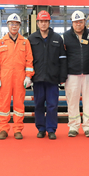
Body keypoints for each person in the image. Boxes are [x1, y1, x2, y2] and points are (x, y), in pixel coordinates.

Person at [0, 13, 34, 140]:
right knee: (3, 104)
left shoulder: (25, 42)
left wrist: (28, 76)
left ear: (20, 26)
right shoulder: (0, 42)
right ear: (7, 25)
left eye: (16, 24)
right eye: (11, 24)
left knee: (19, 104)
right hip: (4, 78)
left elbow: (29, 61)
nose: (14, 26)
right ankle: (3, 129)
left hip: (20, 78)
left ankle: (18, 129)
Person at [28, 10, 67, 140]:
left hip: (52, 78)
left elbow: (62, 58)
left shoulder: (57, 38)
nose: (43, 24)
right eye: (41, 21)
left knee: (52, 105)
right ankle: (41, 128)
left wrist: (62, 76)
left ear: (49, 23)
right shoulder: (31, 39)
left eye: (46, 21)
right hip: (38, 78)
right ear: (37, 23)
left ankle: (51, 129)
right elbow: (28, 59)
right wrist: (28, 76)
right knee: (39, 105)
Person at [63, 10, 89, 137]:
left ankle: (88, 127)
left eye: (81, 22)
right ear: (72, 23)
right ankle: (73, 126)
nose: (78, 24)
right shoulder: (65, 36)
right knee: (72, 102)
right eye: (76, 22)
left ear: (85, 22)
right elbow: (62, 56)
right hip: (72, 75)